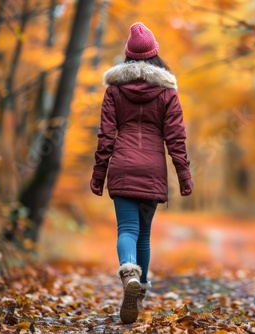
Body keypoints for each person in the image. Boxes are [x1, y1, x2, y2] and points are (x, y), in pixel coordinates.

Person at [90, 22, 193, 324]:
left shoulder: (114, 90)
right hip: (152, 170)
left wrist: (98, 175)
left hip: (122, 167)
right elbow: (176, 138)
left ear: (128, 56)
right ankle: (139, 291)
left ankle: (128, 275)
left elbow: (105, 136)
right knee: (144, 235)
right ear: (155, 55)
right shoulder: (167, 92)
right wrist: (184, 176)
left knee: (127, 230)